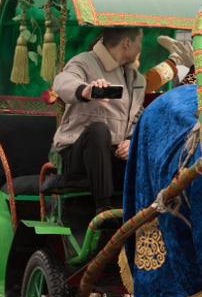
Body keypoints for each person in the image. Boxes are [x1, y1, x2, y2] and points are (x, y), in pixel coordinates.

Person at [52, 26, 145, 211]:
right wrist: (85, 90)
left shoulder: (137, 79)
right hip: (78, 154)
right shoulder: (84, 62)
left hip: (113, 155)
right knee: (98, 130)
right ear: (127, 43)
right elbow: (62, 82)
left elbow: (138, 117)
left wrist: (131, 141)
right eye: (139, 42)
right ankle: (103, 210)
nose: (141, 48)